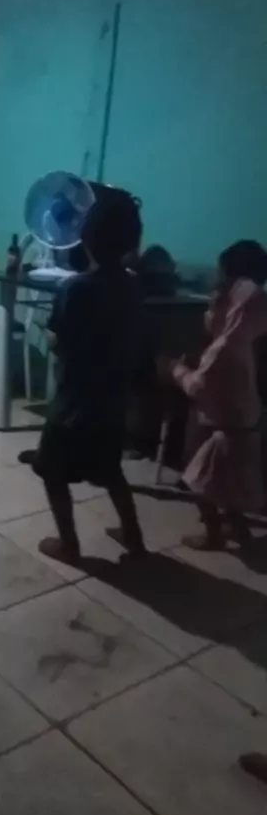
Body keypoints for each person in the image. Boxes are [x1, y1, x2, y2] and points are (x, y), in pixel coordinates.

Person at [29, 186, 147, 564]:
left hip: (73, 402)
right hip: (112, 401)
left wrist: (48, 333)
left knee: (52, 471)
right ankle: (135, 540)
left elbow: (58, 342)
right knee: (111, 471)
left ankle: (69, 544)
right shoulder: (132, 285)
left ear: (86, 239)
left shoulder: (74, 288)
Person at [168, 240, 267, 549]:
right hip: (246, 415)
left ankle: (212, 533)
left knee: (200, 474)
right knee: (229, 475)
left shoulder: (225, 346)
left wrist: (176, 371)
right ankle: (238, 528)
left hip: (219, 416)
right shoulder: (253, 326)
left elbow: (199, 383)